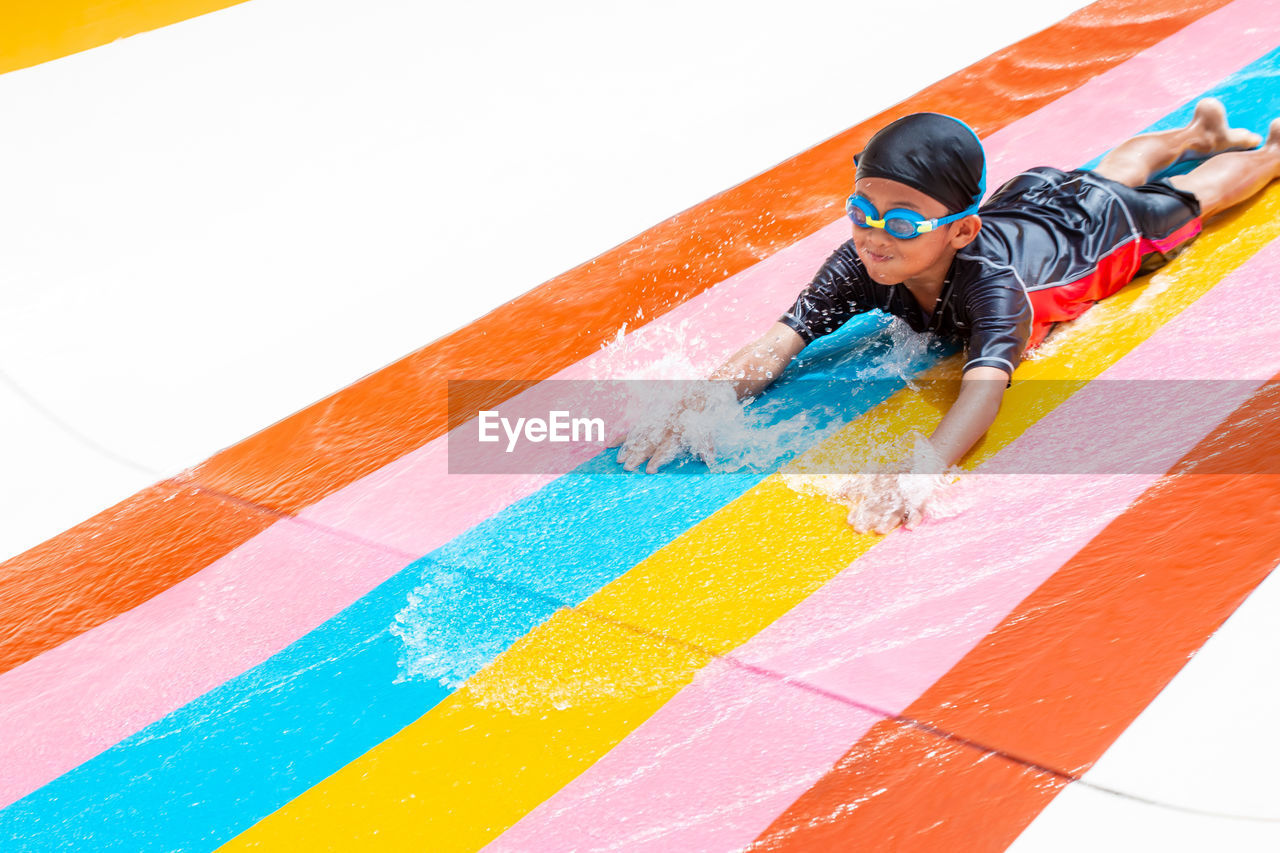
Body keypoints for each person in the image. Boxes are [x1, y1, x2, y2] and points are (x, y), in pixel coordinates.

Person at [616, 99, 1280, 532]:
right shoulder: (863, 261)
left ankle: (1262, 151)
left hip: (1095, 234)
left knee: (1187, 194)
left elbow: (982, 396)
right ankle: (1197, 130)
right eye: (863, 212)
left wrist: (923, 463)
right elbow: (778, 342)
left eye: (901, 221)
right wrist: (697, 400)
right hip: (1029, 200)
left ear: (958, 234)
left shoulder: (994, 290)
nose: (875, 235)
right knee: (1104, 168)